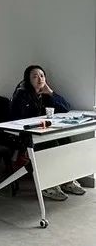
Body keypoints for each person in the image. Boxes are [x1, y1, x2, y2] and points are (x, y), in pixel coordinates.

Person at [10, 65, 83, 201]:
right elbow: (17, 119)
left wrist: (51, 93)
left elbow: (66, 108)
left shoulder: (45, 94)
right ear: (27, 80)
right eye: (35, 76)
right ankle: (49, 185)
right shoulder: (21, 94)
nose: (40, 79)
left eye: (42, 76)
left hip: (44, 132)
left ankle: (67, 180)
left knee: (65, 140)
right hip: (26, 136)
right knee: (51, 144)